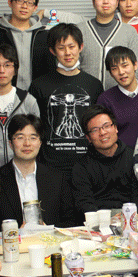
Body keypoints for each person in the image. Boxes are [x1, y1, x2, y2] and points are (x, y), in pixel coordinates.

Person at [0, 114, 77, 238]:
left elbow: (71, 221)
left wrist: (50, 230)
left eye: (33, 138)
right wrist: (14, 234)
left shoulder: (57, 178)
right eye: (20, 137)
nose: (27, 143)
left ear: (40, 143)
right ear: (10, 143)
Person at [28, 23, 103, 174]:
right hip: (50, 165)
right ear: (52, 51)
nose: (67, 53)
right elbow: (33, 126)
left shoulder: (94, 85)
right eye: (61, 48)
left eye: (71, 46)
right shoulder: (39, 85)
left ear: (80, 47)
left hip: (87, 164)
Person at [71, 105, 138, 217]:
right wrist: (107, 218)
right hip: (98, 222)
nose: (102, 132)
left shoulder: (133, 157)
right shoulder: (81, 167)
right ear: (88, 138)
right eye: (95, 130)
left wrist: (129, 217)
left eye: (106, 126)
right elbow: (84, 204)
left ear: (116, 128)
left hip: (131, 219)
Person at [78, 0, 138, 90]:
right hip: (86, 94)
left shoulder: (129, 32)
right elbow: (73, 66)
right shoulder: (80, 30)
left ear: (117, 2)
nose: (106, 1)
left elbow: (136, 69)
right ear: (93, 2)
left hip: (119, 96)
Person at [97, 46, 138, 147]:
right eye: (114, 69)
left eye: (125, 66)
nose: (121, 72)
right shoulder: (105, 100)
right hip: (120, 155)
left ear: (135, 65)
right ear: (111, 74)